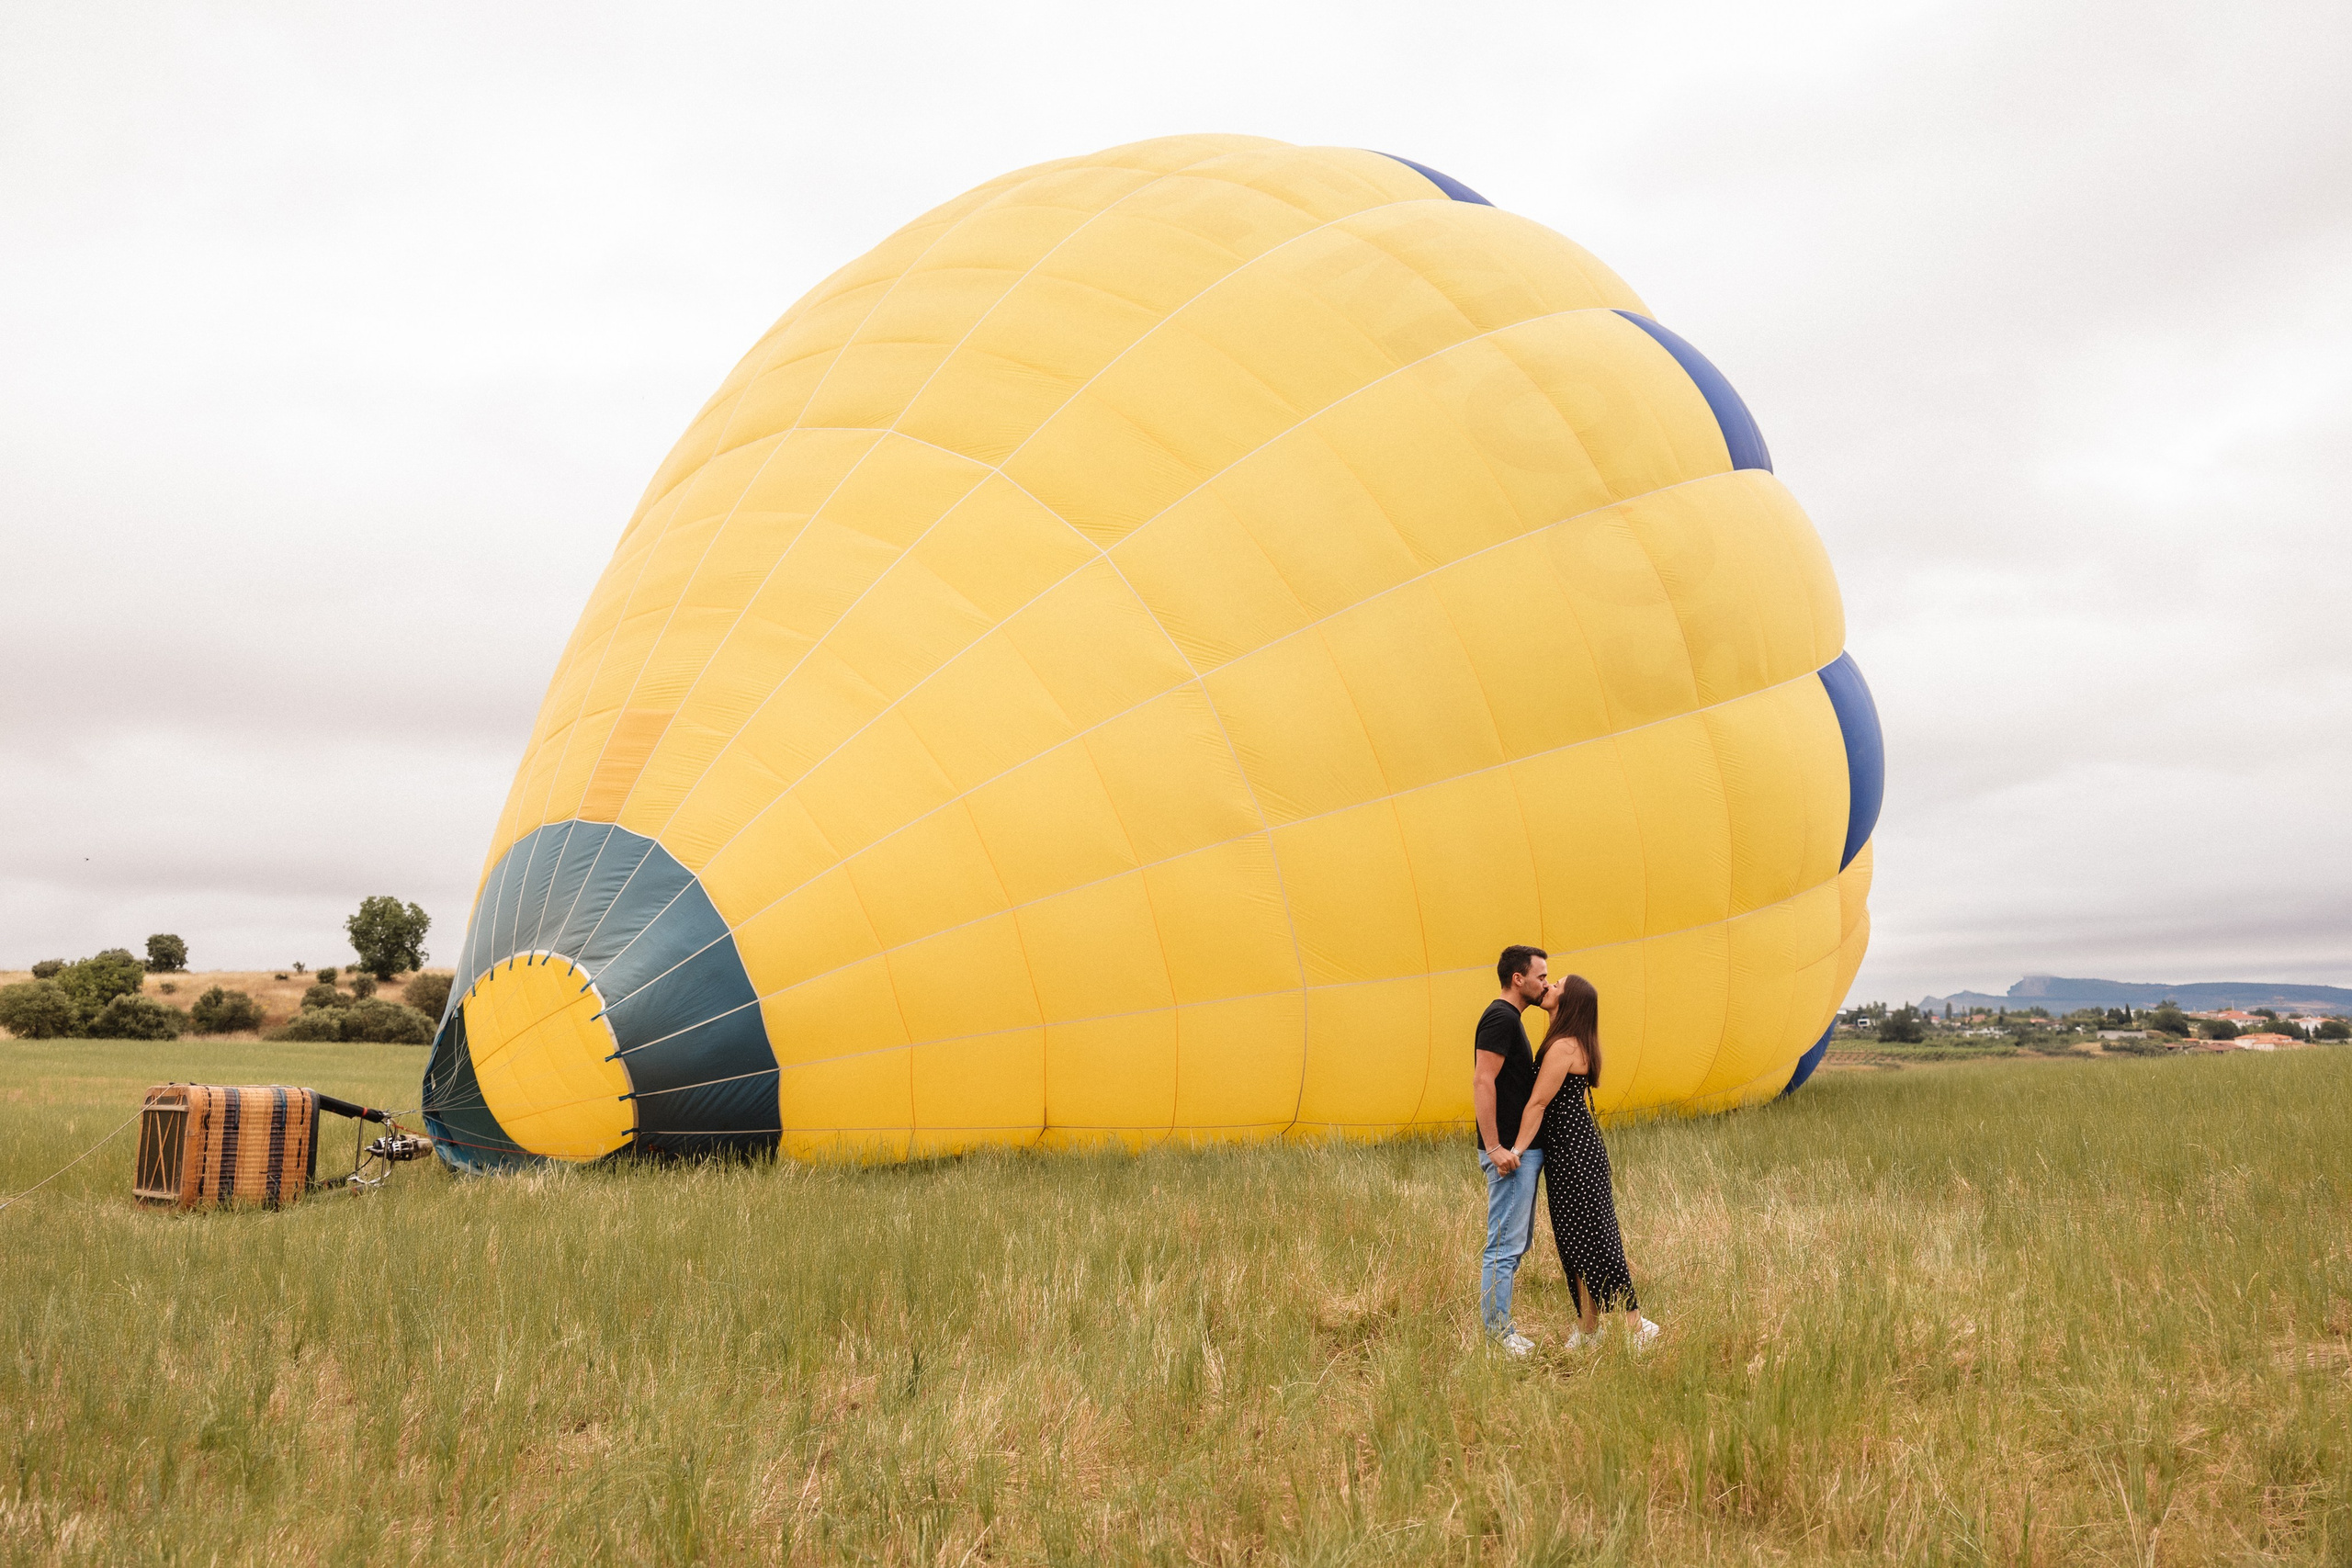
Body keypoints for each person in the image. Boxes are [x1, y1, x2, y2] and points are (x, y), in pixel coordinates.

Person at [1509, 974, 1659, 1350]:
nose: (1548, 987)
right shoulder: (1568, 1041)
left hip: (1574, 1153)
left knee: (1596, 1240)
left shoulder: (1564, 1047)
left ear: (1570, 1000)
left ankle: (1636, 1326)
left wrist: (1516, 1150)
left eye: (1556, 984)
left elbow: (1539, 1103)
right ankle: (1588, 1328)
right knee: (1574, 1241)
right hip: (1571, 1152)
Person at [1474, 944, 1549, 1353]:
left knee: (1513, 1244)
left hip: (1519, 1152)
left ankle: (1501, 1329)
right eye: (1540, 976)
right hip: (1509, 1155)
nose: (1545, 983)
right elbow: (1483, 1081)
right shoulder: (1500, 1017)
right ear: (1517, 979)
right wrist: (1495, 1147)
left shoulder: (1511, 1019)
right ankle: (1497, 1337)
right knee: (1503, 1246)